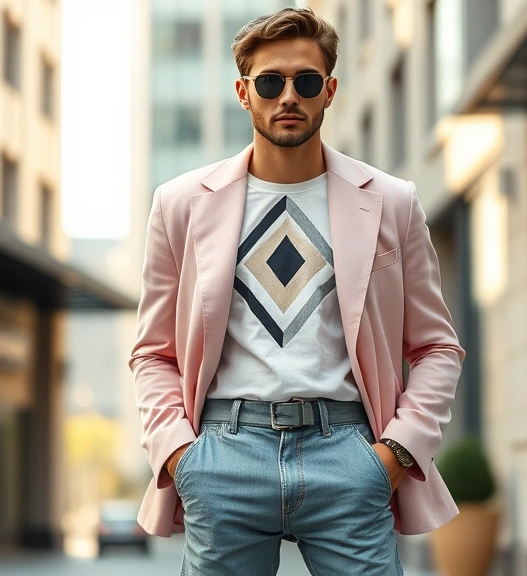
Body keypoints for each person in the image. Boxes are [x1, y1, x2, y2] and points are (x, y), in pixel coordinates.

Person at [130, 7, 464, 575]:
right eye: (270, 82)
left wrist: (395, 453)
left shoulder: (391, 202)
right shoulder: (180, 204)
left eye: (306, 82)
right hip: (223, 455)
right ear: (243, 92)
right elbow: (153, 352)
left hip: (350, 457)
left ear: (329, 90)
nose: (289, 96)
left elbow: (437, 347)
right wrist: (183, 456)